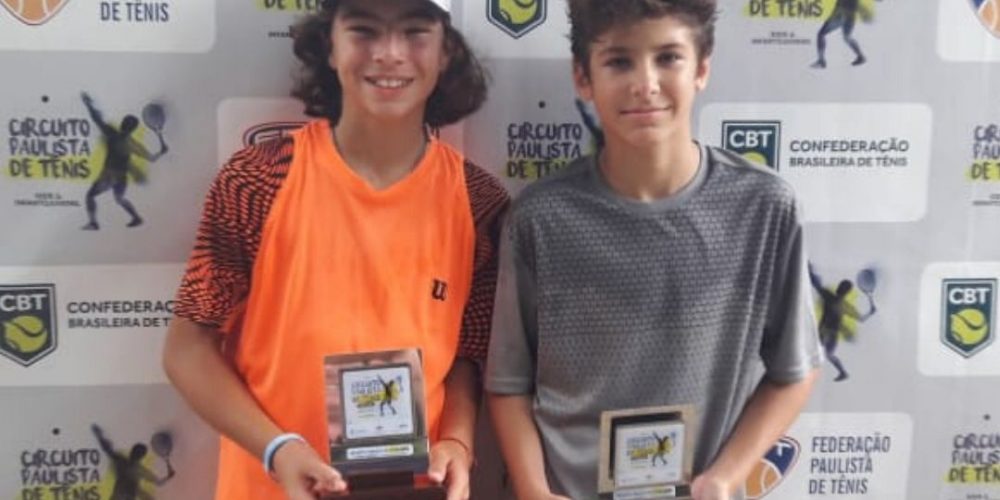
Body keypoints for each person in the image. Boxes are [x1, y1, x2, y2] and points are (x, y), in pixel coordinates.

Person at [161, 1, 508, 499]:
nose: (389, 53)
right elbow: (188, 349)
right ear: (330, 45)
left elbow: (466, 359)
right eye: (364, 30)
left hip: (411, 490)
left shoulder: (478, 202)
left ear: (446, 51)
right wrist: (278, 449)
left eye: (415, 32)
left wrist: (456, 440)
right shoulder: (260, 179)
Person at [485, 1, 823, 499]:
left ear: (701, 69)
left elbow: (794, 370)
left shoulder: (764, 208)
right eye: (619, 61)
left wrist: (723, 478)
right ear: (583, 77)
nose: (645, 84)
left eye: (668, 58)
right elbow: (509, 382)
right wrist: (535, 490)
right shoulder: (541, 218)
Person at [80, 92, 168, 230]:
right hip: (121, 178)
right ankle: (136, 217)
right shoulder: (133, 144)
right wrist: (162, 151)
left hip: (109, 175)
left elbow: (97, 119)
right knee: (119, 199)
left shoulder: (111, 133)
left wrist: (88, 104)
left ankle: (93, 223)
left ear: (122, 124)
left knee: (90, 196)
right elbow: (152, 158)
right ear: (133, 129)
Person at [808, 263, 877, 382]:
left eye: (842, 287)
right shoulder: (838, 301)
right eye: (842, 286)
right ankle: (842, 372)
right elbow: (862, 319)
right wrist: (871, 312)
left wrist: (810, 272)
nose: (840, 288)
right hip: (826, 332)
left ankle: (842, 372)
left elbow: (817, 284)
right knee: (822, 353)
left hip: (829, 333)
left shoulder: (834, 299)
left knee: (824, 354)